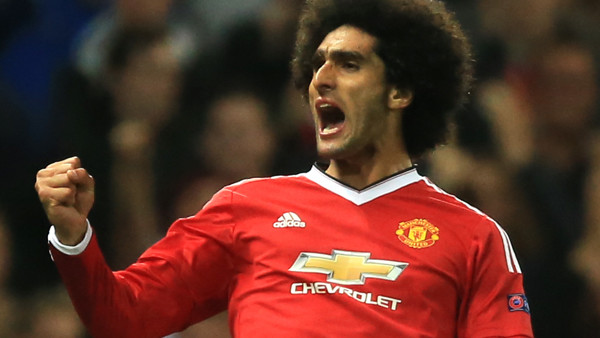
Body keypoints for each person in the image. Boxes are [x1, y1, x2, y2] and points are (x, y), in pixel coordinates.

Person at [34, 0, 533, 336]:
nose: (320, 81)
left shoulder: (475, 238)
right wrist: (75, 238)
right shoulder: (244, 207)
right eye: (317, 64)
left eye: (349, 64)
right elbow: (122, 317)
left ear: (401, 93)